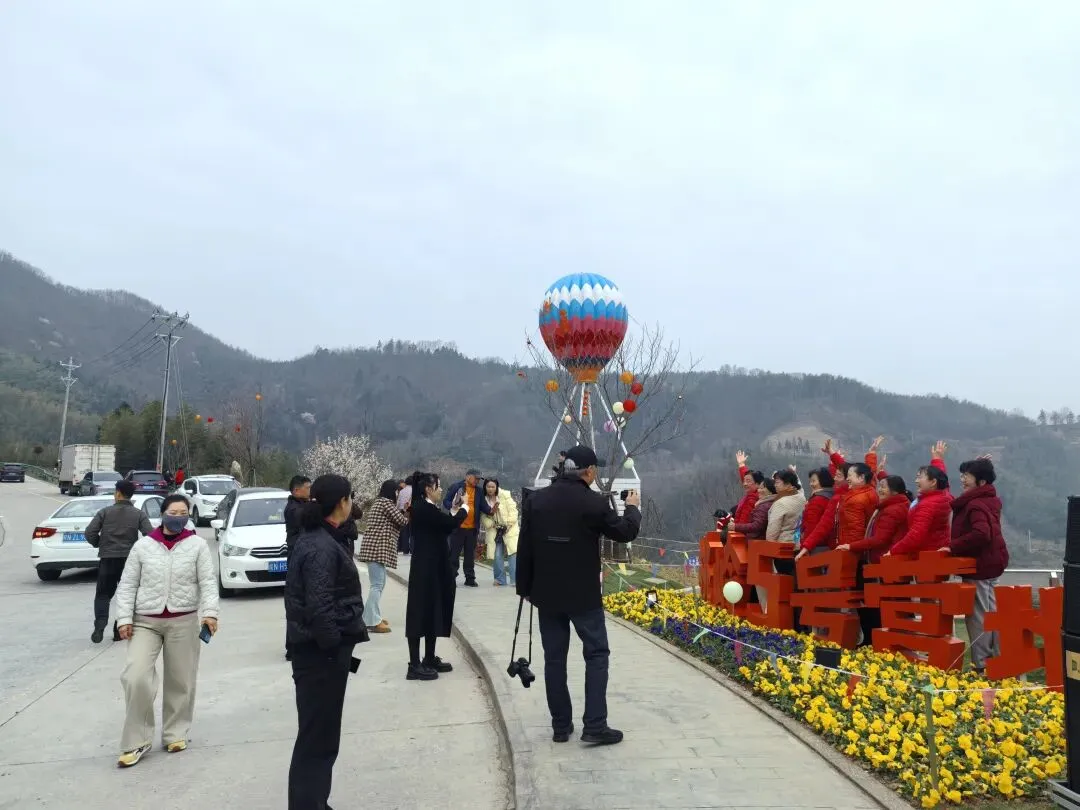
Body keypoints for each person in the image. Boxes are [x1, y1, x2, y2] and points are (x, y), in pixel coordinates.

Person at [516, 445, 642, 746]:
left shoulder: (537, 500)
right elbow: (624, 533)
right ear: (590, 472)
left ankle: (560, 726)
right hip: (583, 596)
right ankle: (595, 725)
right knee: (596, 654)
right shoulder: (593, 503)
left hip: (546, 594)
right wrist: (634, 508)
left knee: (554, 659)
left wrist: (525, 589)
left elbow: (526, 548)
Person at [114, 493, 218, 767]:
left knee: (181, 680)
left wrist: (210, 614)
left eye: (183, 512)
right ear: (162, 514)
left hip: (183, 621)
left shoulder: (196, 545)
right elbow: (127, 585)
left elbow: (207, 582)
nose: (178, 516)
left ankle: (175, 733)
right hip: (144, 621)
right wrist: (123, 618)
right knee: (135, 677)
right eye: (173, 512)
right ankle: (137, 741)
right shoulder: (143, 547)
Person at [284, 474, 368, 810]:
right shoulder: (319, 545)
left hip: (322, 654)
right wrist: (334, 647)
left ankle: (315, 801)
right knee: (317, 740)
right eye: (350, 498)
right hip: (320, 657)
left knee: (320, 737)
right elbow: (319, 606)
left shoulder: (320, 538)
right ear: (342, 503)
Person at [405, 471, 471, 680]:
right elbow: (449, 525)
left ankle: (429, 657)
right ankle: (414, 664)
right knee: (419, 612)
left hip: (433, 565)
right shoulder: (421, 508)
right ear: (428, 488)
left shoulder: (427, 508)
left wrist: (454, 509)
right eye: (438, 486)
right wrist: (464, 508)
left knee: (433, 608)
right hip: (425, 568)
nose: (441, 489)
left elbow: (441, 524)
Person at [947, 457, 1008, 674]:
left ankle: (981, 664)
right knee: (990, 612)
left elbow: (982, 534)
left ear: (981, 482)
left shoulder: (974, 504)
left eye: (967, 476)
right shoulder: (989, 499)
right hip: (992, 562)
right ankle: (993, 660)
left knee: (979, 616)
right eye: (962, 474)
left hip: (981, 566)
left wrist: (952, 546)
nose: (962, 479)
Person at [838, 475, 912, 646]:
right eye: (879, 486)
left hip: (885, 564)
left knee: (887, 606)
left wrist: (851, 546)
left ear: (894, 491)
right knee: (893, 606)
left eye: (884, 487)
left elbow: (880, 539)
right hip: (885, 563)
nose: (880, 490)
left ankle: (886, 643)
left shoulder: (893, 510)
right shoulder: (888, 506)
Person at [86, 479, 154, 643]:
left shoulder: (105, 512)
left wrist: (100, 544)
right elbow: (150, 535)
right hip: (129, 561)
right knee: (128, 595)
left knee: (103, 595)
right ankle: (119, 630)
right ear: (131, 495)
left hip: (107, 559)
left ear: (117, 493)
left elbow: (89, 533)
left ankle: (99, 626)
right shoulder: (138, 514)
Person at [358, 480, 408, 633]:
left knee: (379, 584)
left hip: (374, 549)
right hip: (376, 549)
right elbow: (402, 521)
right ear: (392, 491)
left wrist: (404, 510)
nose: (398, 494)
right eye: (397, 491)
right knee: (377, 585)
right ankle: (372, 621)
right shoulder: (386, 503)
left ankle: (372, 616)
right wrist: (408, 511)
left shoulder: (379, 502)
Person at [886, 444, 952, 557]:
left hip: (925, 557)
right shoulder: (944, 496)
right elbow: (941, 479)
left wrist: (893, 551)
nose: (916, 481)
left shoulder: (927, 505)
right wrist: (937, 460)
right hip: (938, 553)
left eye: (920, 477)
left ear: (933, 482)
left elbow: (916, 535)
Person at [443, 469, 492, 586]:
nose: (478, 481)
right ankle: (450, 577)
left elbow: (484, 507)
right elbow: (446, 501)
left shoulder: (479, 491)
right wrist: (454, 505)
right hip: (458, 527)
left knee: (470, 555)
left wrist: (491, 510)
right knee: (454, 554)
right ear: (468, 477)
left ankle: (470, 578)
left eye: (479, 479)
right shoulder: (457, 487)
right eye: (476, 478)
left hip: (472, 528)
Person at [283, 474, 311, 661]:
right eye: (308, 487)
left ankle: (301, 642)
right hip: (296, 559)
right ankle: (292, 647)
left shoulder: (302, 505)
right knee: (296, 603)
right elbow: (304, 517)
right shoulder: (293, 508)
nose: (310, 491)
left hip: (304, 557)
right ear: (296, 490)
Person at [481, 478, 519, 587]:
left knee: (513, 553)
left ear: (497, 487)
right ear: (485, 487)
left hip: (509, 528)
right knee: (497, 554)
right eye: (488, 487)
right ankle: (500, 579)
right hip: (495, 529)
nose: (490, 489)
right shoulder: (483, 499)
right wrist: (491, 524)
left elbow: (513, 511)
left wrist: (508, 524)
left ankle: (515, 580)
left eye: (493, 487)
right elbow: (483, 516)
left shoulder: (505, 495)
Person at [732, 451, 762, 522]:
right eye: (744, 481)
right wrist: (741, 465)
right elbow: (746, 478)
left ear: (757, 484)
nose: (745, 484)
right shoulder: (752, 493)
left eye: (748, 481)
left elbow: (744, 521)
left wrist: (735, 527)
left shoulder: (753, 499)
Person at [396, 475, 414, 555]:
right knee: (413, 532)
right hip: (413, 512)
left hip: (403, 512)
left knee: (405, 531)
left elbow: (398, 503)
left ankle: (405, 549)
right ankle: (413, 549)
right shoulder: (415, 491)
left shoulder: (402, 491)